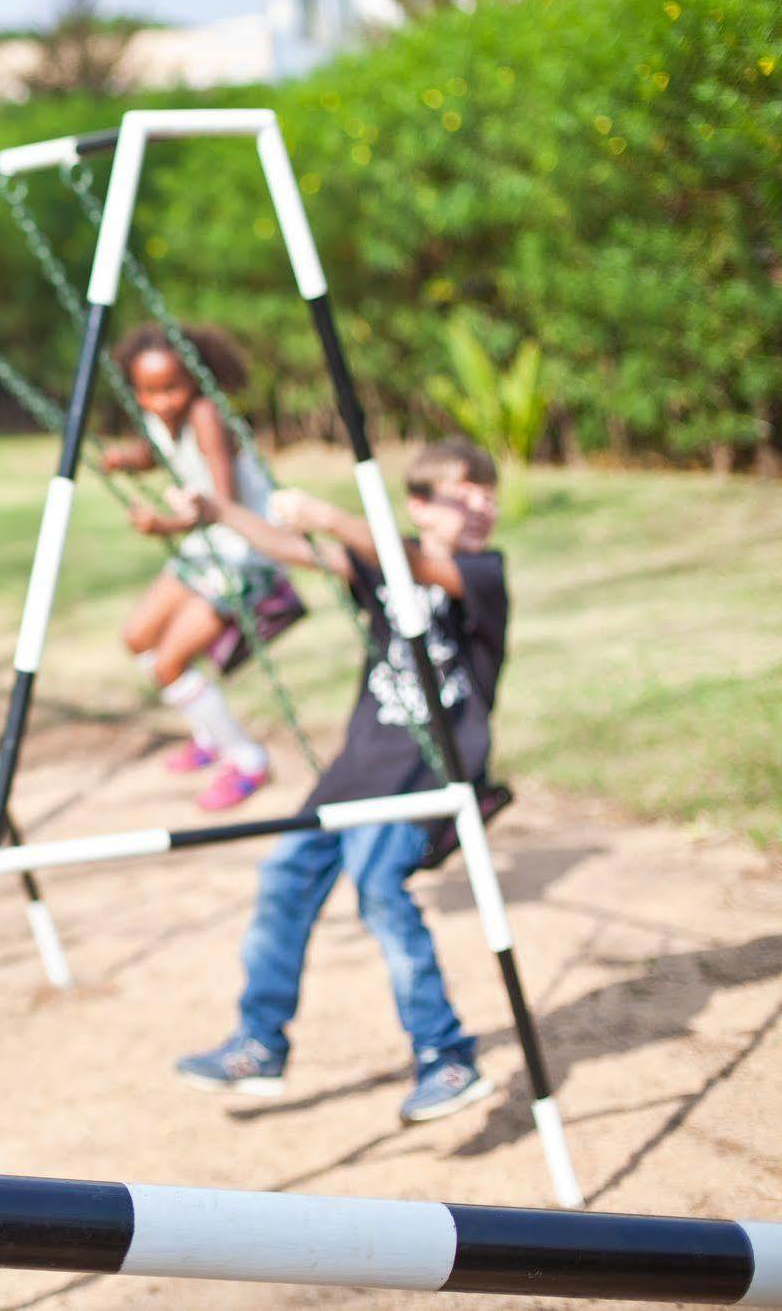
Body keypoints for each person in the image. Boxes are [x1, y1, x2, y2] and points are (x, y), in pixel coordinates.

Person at [163, 438, 506, 1124]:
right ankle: (260, 1043)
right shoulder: (380, 562)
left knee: (379, 885)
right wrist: (216, 507)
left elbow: (411, 561)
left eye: (486, 495)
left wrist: (325, 513)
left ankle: (445, 1055)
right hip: (357, 771)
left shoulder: (478, 571)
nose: (478, 508)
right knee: (283, 876)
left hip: (427, 768)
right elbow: (287, 547)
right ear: (417, 506)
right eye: (458, 496)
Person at [101, 324, 284, 812]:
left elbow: (223, 503)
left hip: (247, 548)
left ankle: (247, 760)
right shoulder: (164, 418)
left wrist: (164, 525)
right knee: (138, 637)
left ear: (196, 382)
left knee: (170, 663)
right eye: (148, 392)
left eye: (171, 389)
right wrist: (124, 459)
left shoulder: (206, 414)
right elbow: (154, 452)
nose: (161, 402)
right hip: (208, 544)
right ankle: (209, 733)